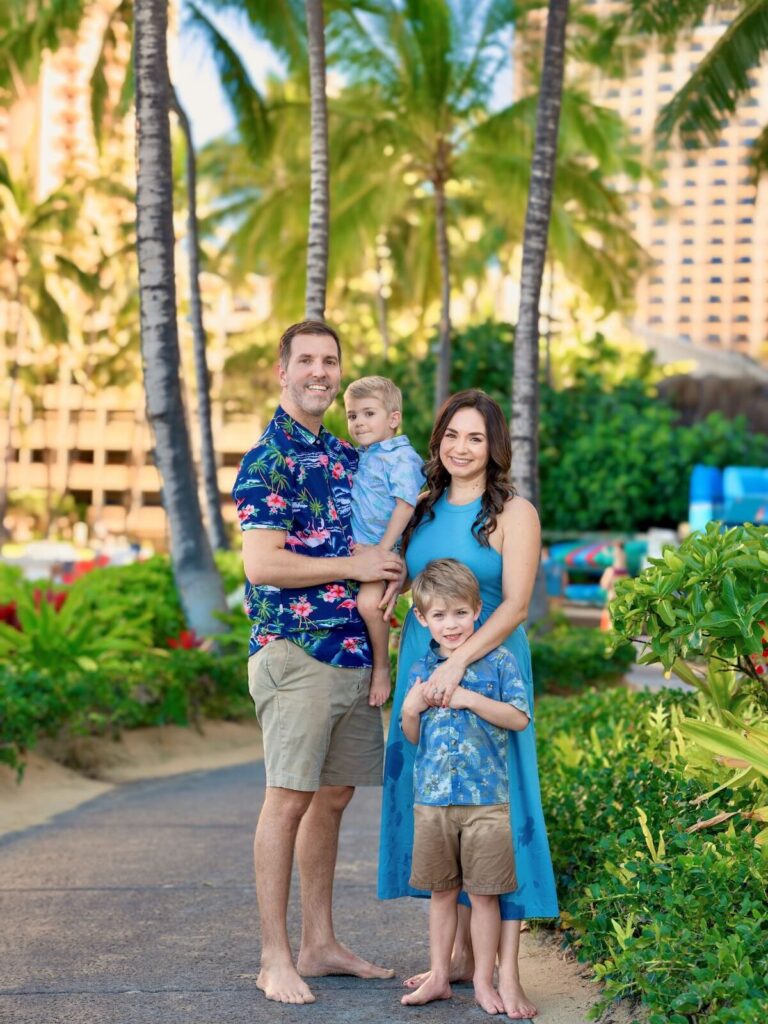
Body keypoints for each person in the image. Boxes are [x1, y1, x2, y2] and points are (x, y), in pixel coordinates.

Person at [233, 320, 403, 1005]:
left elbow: (384, 521)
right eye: (305, 360)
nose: (319, 371)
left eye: (329, 361)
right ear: (283, 371)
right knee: (289, 798)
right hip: (296, 650)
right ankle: (275, 957)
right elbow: (262, 563)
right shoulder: (267, 458)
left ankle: (319, 943)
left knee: (333, 798)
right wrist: (354, 564)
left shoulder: (345, 453)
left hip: (352, 652)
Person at [378, 389, 559, 1020]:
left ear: (495, 446)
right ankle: (450, 962)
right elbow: (409, 584)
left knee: (499, 817)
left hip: (492, 670)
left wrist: (461, 660)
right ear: (438, 441)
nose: (461, 447)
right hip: (425, 673)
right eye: (452, 435)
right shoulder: (422, 510)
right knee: (437, 808)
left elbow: (512, 604)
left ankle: (506, 975)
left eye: (476, 438)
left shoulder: (514, 511)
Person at [400, 559, 531, 1014]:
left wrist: (469, 698)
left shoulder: (499, 661)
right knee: (439, 893)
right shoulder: (420, 667)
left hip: (485, 802)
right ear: (421, 619)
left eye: (460, 612)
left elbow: (518, 717)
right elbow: (412, 737)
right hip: (433, 800)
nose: (450, 624)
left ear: (477, 610)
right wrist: (412, 709)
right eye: (439, 615)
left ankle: (481, 980)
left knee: (484, 895)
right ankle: (438, 974)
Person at [344, 375, 424, 707]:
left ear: (393, 419)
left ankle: (381, 667)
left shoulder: (402, 458)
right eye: (352, 416)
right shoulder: (367, 454)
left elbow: (406, 504)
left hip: (383, 547)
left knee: (367, 604)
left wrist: (382, 550)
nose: (359, 422)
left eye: (368, 413)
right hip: (360, 547)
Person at [599, 541, 629, 631]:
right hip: (622, 600)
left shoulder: (611, 570)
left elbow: (604, 585)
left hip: (612, 596)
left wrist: (604, 550)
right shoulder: (625, 572)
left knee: (610, 614)